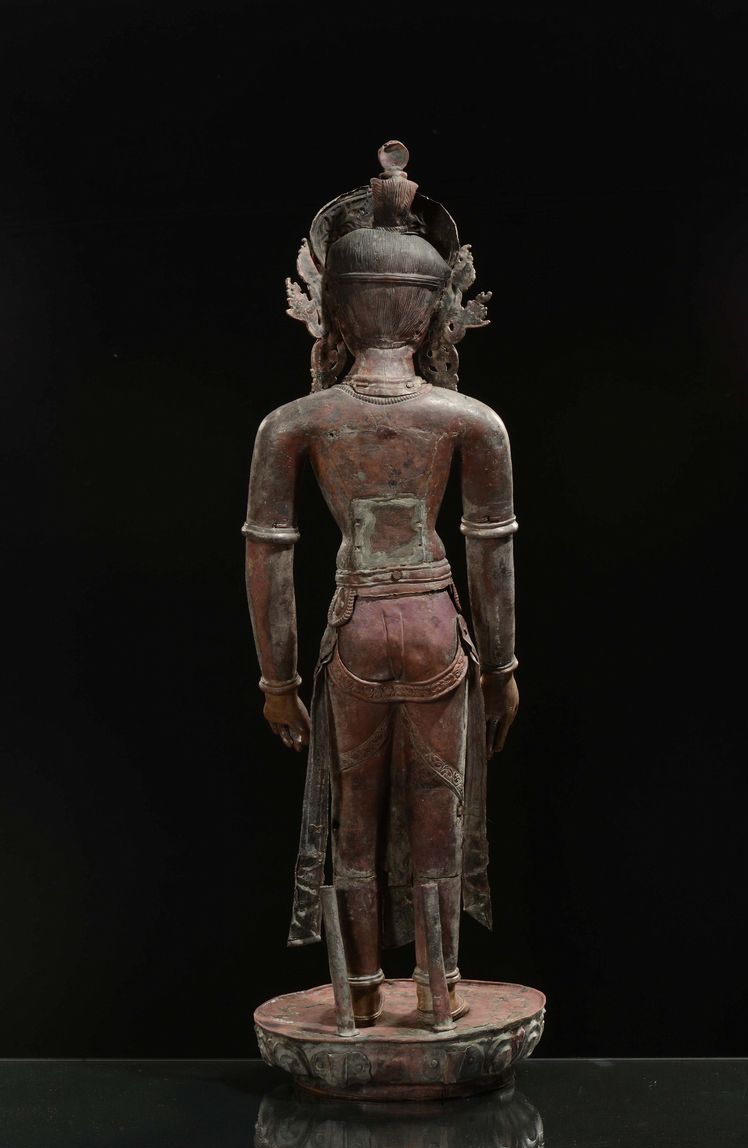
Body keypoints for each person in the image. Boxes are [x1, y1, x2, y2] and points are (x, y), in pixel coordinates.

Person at [244, 142, 519, 1025]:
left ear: (332, 308)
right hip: (437, 626)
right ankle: (439, 994)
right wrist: (502, 668)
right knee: (438, 808)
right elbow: (490, 552)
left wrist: (277, 680)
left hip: (355, 624)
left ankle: (359, 997)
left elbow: (267, 553)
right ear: (435, 309)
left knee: (352, 819)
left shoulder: (295, 422)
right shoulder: (469, 420)